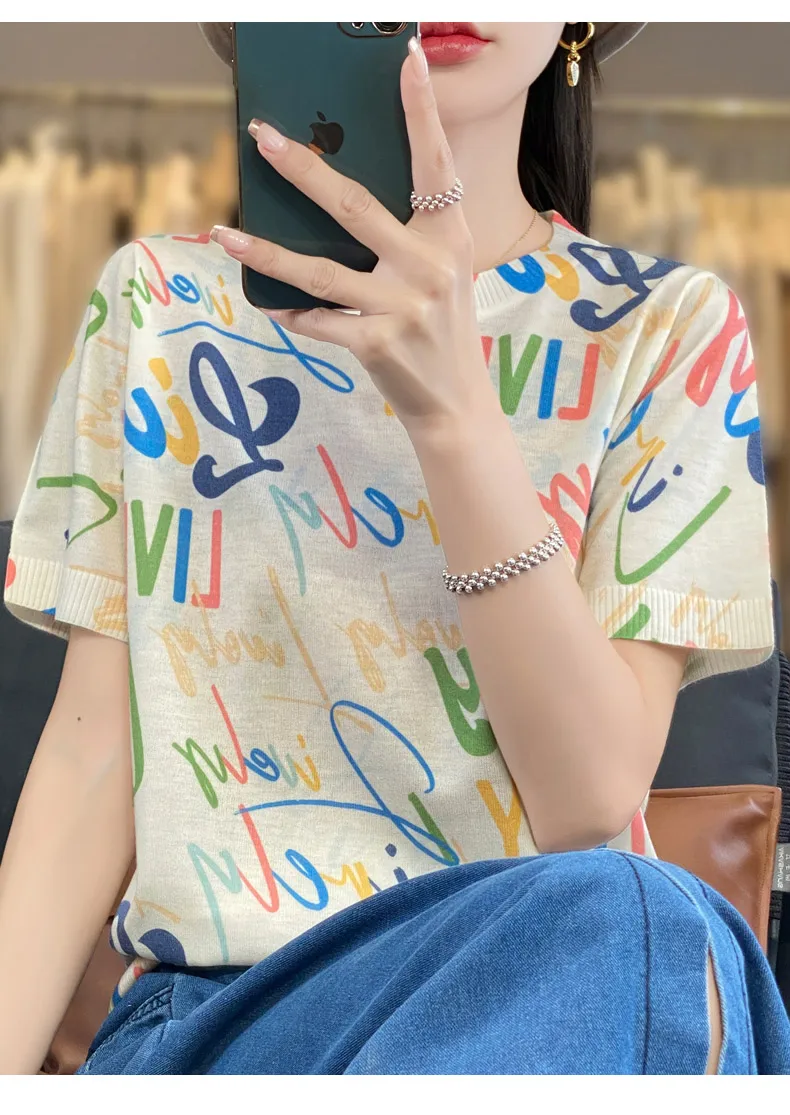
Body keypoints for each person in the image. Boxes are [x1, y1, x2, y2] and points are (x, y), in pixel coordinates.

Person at [1, 21, 788, 1076]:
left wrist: (452, 411)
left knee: (642, 918)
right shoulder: (159, 303)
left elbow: (589, 800)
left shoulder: (667, 328)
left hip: (536, 986)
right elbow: (91, 753)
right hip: (225, 1018)